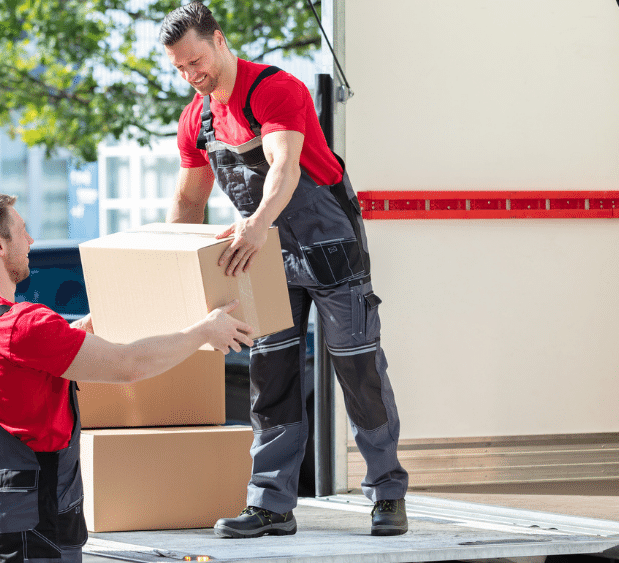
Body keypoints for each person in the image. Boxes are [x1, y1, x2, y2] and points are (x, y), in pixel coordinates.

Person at [159, 1, 410, 539]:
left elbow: (284, 166)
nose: (191, 75)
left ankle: (387, 492)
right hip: (263, 256)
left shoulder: (275, 89)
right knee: (270, 376)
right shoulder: (196, 119)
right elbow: (188, 201)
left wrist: (254, 224)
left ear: (219, 40)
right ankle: (271, 504)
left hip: (328, 244)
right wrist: (175, 267)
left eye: (196, 61)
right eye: (180, 68)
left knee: (358, 369)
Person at [0, 191, 253, 563]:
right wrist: (204, 332)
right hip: (34, 511)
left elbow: (10, 378)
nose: (31, 241)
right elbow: (129, 365)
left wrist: (75, 332)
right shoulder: (25, 324)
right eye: (22, 231)